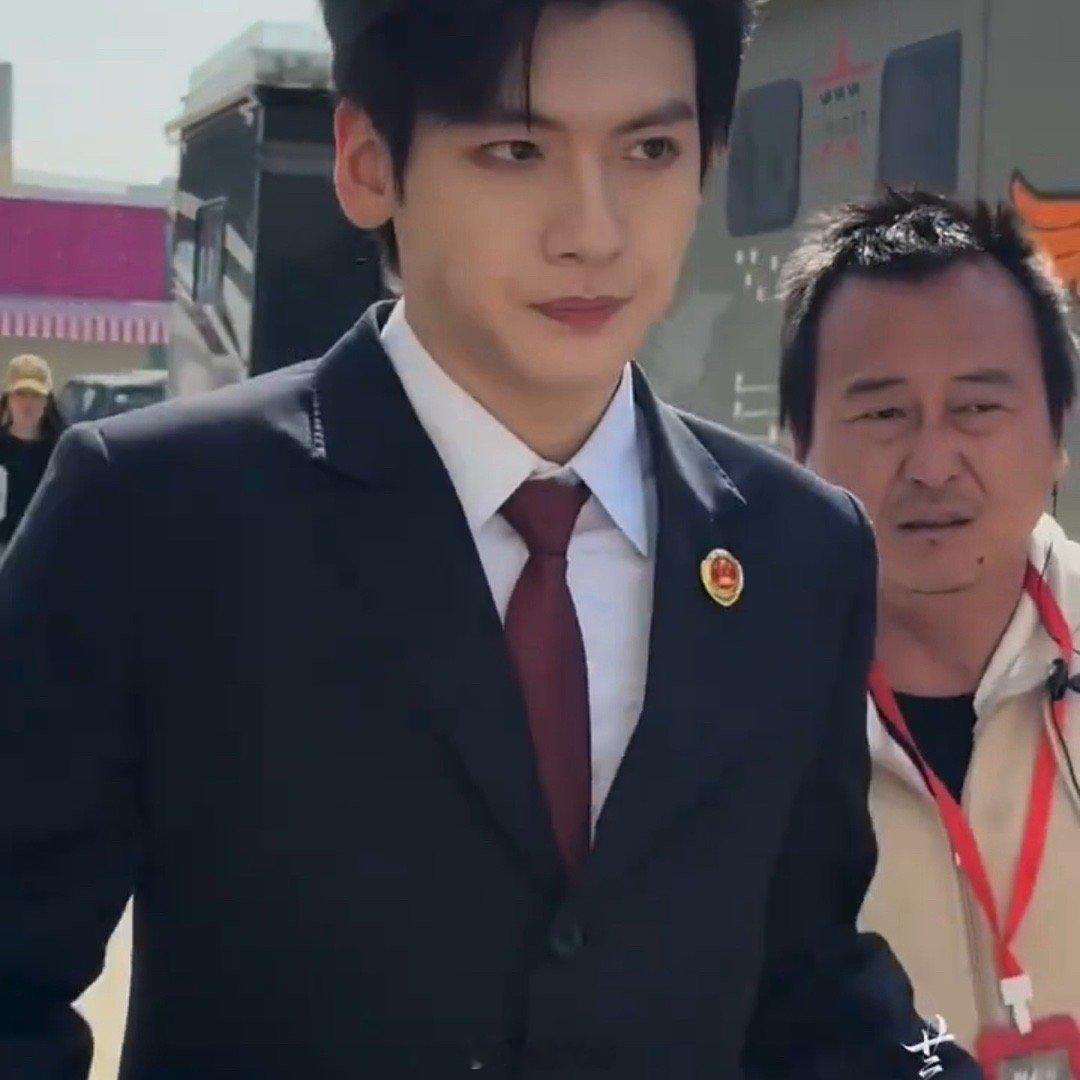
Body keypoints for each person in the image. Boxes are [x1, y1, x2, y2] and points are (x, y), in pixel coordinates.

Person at [0, 6, 976, 1078]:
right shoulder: (158, 517)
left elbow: (808, 985)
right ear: (369, 163)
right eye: (516, 149)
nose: (593, 231)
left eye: (650, 150)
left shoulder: (797, 550)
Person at [781, 189, 1080, 1068]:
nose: (934, 463)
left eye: (978, 408)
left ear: (1057, 435)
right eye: (883, 413)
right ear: (796, 443)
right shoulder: (736, 711)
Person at [0, 353, 63, 558]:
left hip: (47, 552)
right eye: (20, 394)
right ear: (8, 399)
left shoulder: (63, 450)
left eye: (36, 395)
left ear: (47, 402)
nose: (27, 403)